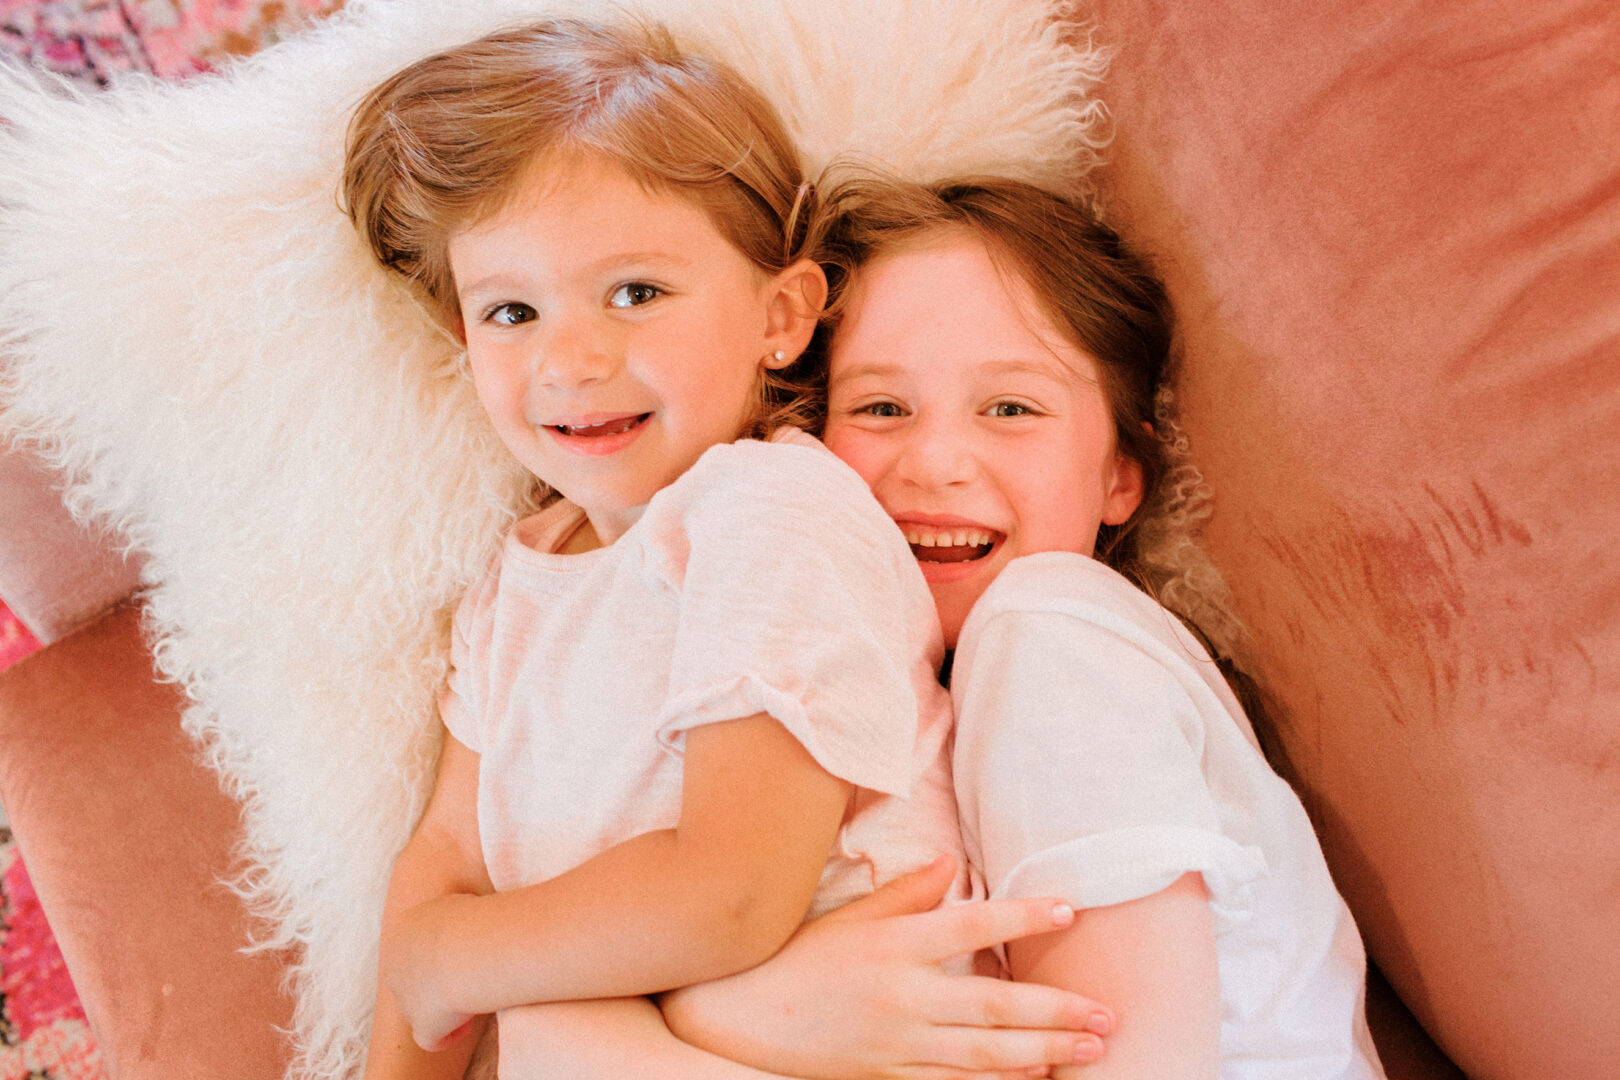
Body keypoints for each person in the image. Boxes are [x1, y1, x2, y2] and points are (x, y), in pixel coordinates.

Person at [340, 21, 1113, 1080]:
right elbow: (445, 864)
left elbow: (733, 892)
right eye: (511, 311)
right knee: (555, 1032)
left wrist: (454, 960)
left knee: (560, 1029)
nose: (570, 358)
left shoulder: (771, 512)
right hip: (672, 1037)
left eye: (636, 293)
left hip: (854, 1039)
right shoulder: (515, 586)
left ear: (781, 317)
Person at [783, 176, 1385, 1078]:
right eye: (879, 408)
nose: (935, 461)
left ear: (1121, 478)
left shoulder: (1049, 632)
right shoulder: (929, 700)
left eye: (1011, 408)